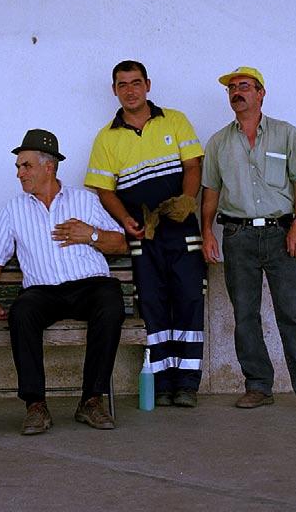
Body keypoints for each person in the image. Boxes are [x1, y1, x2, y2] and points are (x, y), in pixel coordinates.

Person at [201, 67, 296, 415]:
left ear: (261, 94)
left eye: (244, 86)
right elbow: (211, 192)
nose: (236, 92)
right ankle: (258, 386)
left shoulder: (286, 134)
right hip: (237, 237)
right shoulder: (218, 142)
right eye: (231, 88)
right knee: (245, 315)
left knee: (293, 314)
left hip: (281, 234)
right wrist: (206, 233)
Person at [0, 129, 128, 435]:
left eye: (26, 165)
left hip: (89, 287)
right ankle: (35, 405)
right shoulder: (14, 209)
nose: (19, 173)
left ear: (49, 166)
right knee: (22, 311)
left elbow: (120, 243)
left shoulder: (84, 201)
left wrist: (92, 235)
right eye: (18, 167)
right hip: (42, 292)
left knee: (111, 298)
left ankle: (91, 400)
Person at [85, 60, 206, 407]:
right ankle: (161, 381)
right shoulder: (106, 137)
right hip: (143, 234)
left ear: (148, 85)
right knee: (151, 302)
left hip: (181, 229)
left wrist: (186, 200)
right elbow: (105, 191)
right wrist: (125, 220)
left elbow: (193, 165)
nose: (130, 90)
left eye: (136, 82)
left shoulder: (175, 120)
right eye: (122, 85)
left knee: (188, 299)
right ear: (114, 90)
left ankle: (186, 383)